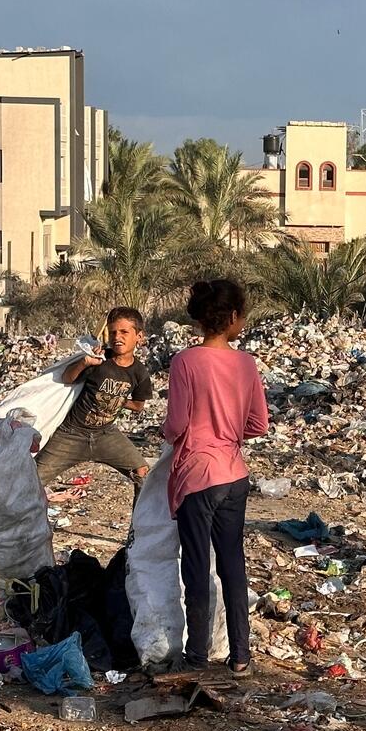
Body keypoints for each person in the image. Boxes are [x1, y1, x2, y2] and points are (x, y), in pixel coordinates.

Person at [162, 279, 268, 676]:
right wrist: (230, 429)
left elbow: (175, 424)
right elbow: (259, 423)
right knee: (232, 565)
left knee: (196, 568)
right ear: (234, 318)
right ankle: (241, 655)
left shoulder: (185, 362)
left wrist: (176, 436)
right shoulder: (246, 363)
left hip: (197, 475)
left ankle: (197, 656)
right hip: (234, 474)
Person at [35, 307, 152, 496]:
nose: (117, 337)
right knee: (32, 480)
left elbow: (138, 406)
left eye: (124, 332)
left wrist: (117, 400)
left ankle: (137, 526)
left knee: (143, 474)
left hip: (106, 434)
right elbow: (67, 378)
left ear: (139, 336)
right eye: (113, 332)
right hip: (71, 434)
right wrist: (86, 362)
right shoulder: (100, 359)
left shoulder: (140, 373)